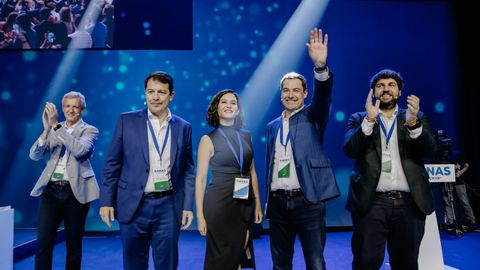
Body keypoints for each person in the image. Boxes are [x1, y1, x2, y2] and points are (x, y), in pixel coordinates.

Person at [99, 71, 195, 270]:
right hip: (133, 204)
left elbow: (187, 170)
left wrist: (187, 206)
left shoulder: (184, 127)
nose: (155, 97)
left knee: (167, 265)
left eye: (161, 92)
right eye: (150, 91)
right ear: (145, 94)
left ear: (171, 95)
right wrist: (106, 201)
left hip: (169, 206)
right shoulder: (127, 121)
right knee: (134, 264)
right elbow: (112, 165)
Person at [343, 69, 437, 269]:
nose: (386, 89)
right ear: (373, 92)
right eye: (380, 85)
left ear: (400, 92)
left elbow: (430, 149)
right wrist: (369, 120)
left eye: (391, 85)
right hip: (371, 203)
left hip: (410, 204)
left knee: (407, 263)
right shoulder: (359, 118)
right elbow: (350, 150)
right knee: (366, 262)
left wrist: (413, 123)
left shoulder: (415, 116)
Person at [265, 28, 339, 270]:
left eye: (296, 90)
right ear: (281, 95)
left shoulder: (314, 116)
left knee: (315, 264)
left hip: (308, 201)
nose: (291, 94)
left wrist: (320, 68)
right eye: (286, 90)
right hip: (277, 203)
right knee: (280, 264)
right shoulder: (273, 126)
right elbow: (270, 165)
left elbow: (324, 97)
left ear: (305, 93)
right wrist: (267, 200)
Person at [29, 91, 99, 270]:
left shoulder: (89, 130)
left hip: (75, 192)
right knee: (43, 244)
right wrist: (46, 130)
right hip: (51, 191)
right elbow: (34, 155)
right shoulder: (53, 128)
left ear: (81, 109)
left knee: (73, 246)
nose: (71, 110)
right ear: (62, 108)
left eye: (75, 106)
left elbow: (80, 150)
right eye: (68, 106)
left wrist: (56, 128)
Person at [195, 90, 263, 270]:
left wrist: (257, 204)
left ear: (238, 110)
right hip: (219, 206)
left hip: (244, 203)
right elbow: (200, 179)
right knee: (221, 258)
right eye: (224, 102)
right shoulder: (207, 140)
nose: (229, 106)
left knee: (238, 254)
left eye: (233, 103)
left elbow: (252, 173)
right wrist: (200, 216)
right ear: (216, 108)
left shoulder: (247, 136)